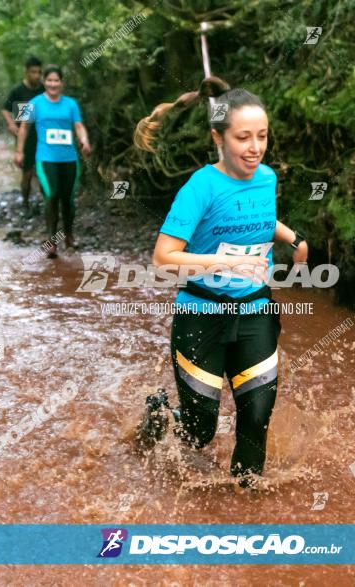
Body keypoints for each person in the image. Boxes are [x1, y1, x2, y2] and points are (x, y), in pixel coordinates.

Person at [133, 76, 309, 487]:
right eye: (243, 138)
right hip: (202, 317)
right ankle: (160, 415)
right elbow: (163, 258)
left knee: (256, 418)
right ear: (218, 137)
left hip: (255, 312)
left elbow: (257, 217)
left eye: (262, 137)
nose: (255, 148)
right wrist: (222, 263)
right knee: (200, 432)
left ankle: (245, 523)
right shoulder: (200, 187)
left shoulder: (266, 177)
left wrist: (293, 238)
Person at [15, 65, 91, 257]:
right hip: (45, 158)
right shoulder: (33, 103)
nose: (53, 84)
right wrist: (19, 151)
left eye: (56, 80)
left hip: (69, 159)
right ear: (44, 82)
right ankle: (51, 240)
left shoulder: (71, 104)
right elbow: (23, 128)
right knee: (51, 194)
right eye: (49, 80)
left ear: (62, 83)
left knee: (68, 198)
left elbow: (79, 125)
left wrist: (84, 140)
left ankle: (69, 235)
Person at [2, 56, 45, 211]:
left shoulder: (43, 89)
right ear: (27, 72)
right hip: (24, 137)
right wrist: (11, 123)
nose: (36, 76)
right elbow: (5, 109)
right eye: (33, 72)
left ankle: (47, 204)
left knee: (43, 171)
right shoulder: (18, 91)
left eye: (39, 72)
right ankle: (25, 203)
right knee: (26, 173)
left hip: (42, 136)